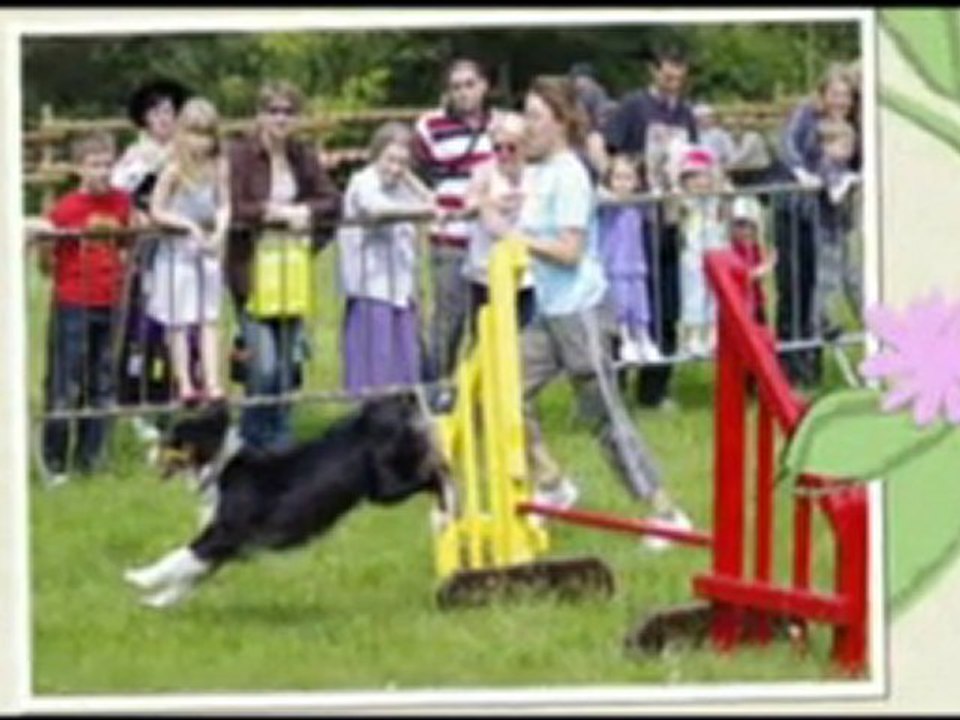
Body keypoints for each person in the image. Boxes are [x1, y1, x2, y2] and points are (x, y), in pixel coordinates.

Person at [514, 75, 690, 547]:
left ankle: (666, 513)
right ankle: (552, 482)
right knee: (501, 391)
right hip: (548, 311)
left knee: (604, 417)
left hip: (583, 311)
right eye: (525, 114)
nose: (525, 125)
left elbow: (570, 251)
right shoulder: (536, 171)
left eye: (534, 116)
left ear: (560, 122)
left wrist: (518, 241)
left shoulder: (571, 173)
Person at [227, 80, 341, 451]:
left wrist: (303, 213)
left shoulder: (302, 155)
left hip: (291, 271)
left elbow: (331, 200)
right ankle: (253, 434)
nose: (280, 118)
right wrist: (270, 214)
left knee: (289, 365)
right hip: (252, 271)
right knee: (264, 365)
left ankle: (279, 438)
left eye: (288, 112)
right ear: (259, 115)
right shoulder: (240, 156)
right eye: (273, 111)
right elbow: (234, 206)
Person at [603, 46, 698, 410]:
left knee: (667, 307)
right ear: (654, 72)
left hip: (670, 219)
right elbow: (606, 145)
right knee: (625, 306)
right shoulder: (633, 106)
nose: (673, 83)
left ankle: (655, 389)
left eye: (680, 77)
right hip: (633, 224)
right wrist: (617, 185)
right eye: (668, 75)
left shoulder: (685, 114)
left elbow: (692, 160)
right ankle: (614, 388)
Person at [36, 132, 133, 487]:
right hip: (74, 302)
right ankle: (55, 461)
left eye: (108, 164)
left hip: (110, 301)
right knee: (66, 383)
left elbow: (128, 240)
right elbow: (46, 259)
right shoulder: (66, 209)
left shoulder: (122, 203)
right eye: (95, 165)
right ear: (80, 169)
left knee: (103, 382)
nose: (103, 172)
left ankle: (93, 459)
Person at [111, 78, 192, 440]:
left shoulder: (187, 156)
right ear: (145, 119)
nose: (165, 119)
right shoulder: (135, 159)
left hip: (182, 251)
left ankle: (182, 397)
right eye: (158, 112)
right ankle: (139, 404)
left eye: (171, 112)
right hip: (148, 252)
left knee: (183, 324)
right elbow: (118, 198)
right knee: (144, 328)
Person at [337, 122, 439, 394]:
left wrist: (408, 178)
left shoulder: (400, 185)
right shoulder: (363, 182)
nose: (395, 168)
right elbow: (376, 210)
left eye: (402, 162)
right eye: (390, 160)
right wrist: (418, 212)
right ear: (376, 154)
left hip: (401, 292)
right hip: (371, 291)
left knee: (406, 370)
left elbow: (433, 202)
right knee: (377, 372)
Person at [771, 64, 857, 386]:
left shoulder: (849, 124)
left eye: (846, 95)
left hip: (825, 217)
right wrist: (799, 173)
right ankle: (788, 364)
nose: (841, 101)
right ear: (822, 93)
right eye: (835, 94)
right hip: (794, 210)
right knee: (793, 286)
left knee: (817, 291)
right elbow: (787, 146)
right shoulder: (805, 114)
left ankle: (811, 366)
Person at [413, 58, 496, 387]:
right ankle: (434, 390)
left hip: (490, 239)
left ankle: (478, 392)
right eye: (456, 86)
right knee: (449, 321)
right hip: (451, 237)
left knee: (487, 322)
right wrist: (428, 200)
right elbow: (406, 168)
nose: (463, 93)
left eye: (469, 84)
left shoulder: (500, 127)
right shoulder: (431, 126)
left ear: (484, 86)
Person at [147, 97, 230, 404]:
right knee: (179, 321)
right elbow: (157, 210)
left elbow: (223, 203)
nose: (201, 143)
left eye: (207, 135)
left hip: (206, 253)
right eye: (195, 134)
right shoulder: (173, 170)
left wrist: (220, 230)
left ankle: (212, 380)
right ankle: (185, 382)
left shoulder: (218, 167)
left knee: (209, 318)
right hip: (177, 255)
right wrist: (185, 225)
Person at [461, 111, 536, 338]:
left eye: (511, 147)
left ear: (525, 146)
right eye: (497, 147)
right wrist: (490, 203)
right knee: (487, 338)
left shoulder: (536, 174)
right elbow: (468, 204)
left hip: (527, 272)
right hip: (487, 271)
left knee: (524, 339)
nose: (503, 154)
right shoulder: (485, 172)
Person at [596, 154, 662, 364]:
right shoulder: (607, 204)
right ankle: (626, 341)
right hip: (614, 266)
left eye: (628, 178)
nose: (623, 183)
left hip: (637, 265)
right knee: (621, 306)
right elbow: (600, 197)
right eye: (618, 177)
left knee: (640, 305)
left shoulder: (637, 204)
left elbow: (654, 201)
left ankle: (644, 338)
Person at [675, 146, 729, 357]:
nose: (699, 182)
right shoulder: (686, 201)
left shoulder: (715, 199)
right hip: (693, 255)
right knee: (694, 295)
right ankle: (693, 337)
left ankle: (713, 335)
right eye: (692, 177)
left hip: (716, 251)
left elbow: (726, 210)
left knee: (715, 295)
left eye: (703, 176)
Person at [812, 118, 861, 340]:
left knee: (851, 273)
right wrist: (849, 182)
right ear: (827, 145)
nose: (849, 151)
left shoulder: (841, 165)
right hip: (826, 231)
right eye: (845, 146)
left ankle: (865, 314)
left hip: (840, 229)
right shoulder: (826, 165)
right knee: (828, 277)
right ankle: (821, 319)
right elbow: (834, 194)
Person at [729, 194, 776, 326]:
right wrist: (762, 269)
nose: (747, 231)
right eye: (740, 225)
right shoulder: (731, 250)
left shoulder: (754, 248)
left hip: (755, 303)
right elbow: (740, 277)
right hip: (738, 305)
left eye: (752, 226)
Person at [693, 103, 736, 171]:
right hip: (696, 168)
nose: (706, 119)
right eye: (702, 117)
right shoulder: (692, 134)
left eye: (708, 116)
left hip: (718, 167)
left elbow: (730, 153)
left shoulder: (721, 134)